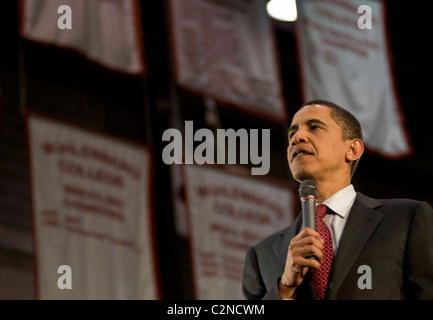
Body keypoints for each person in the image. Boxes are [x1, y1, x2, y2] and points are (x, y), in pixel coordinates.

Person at [242, 99, 433, 300]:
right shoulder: (261, 255)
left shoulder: (405, 219)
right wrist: (285, 288)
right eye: (292, 133)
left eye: (314, 127)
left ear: (352, 149)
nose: (296, 138)